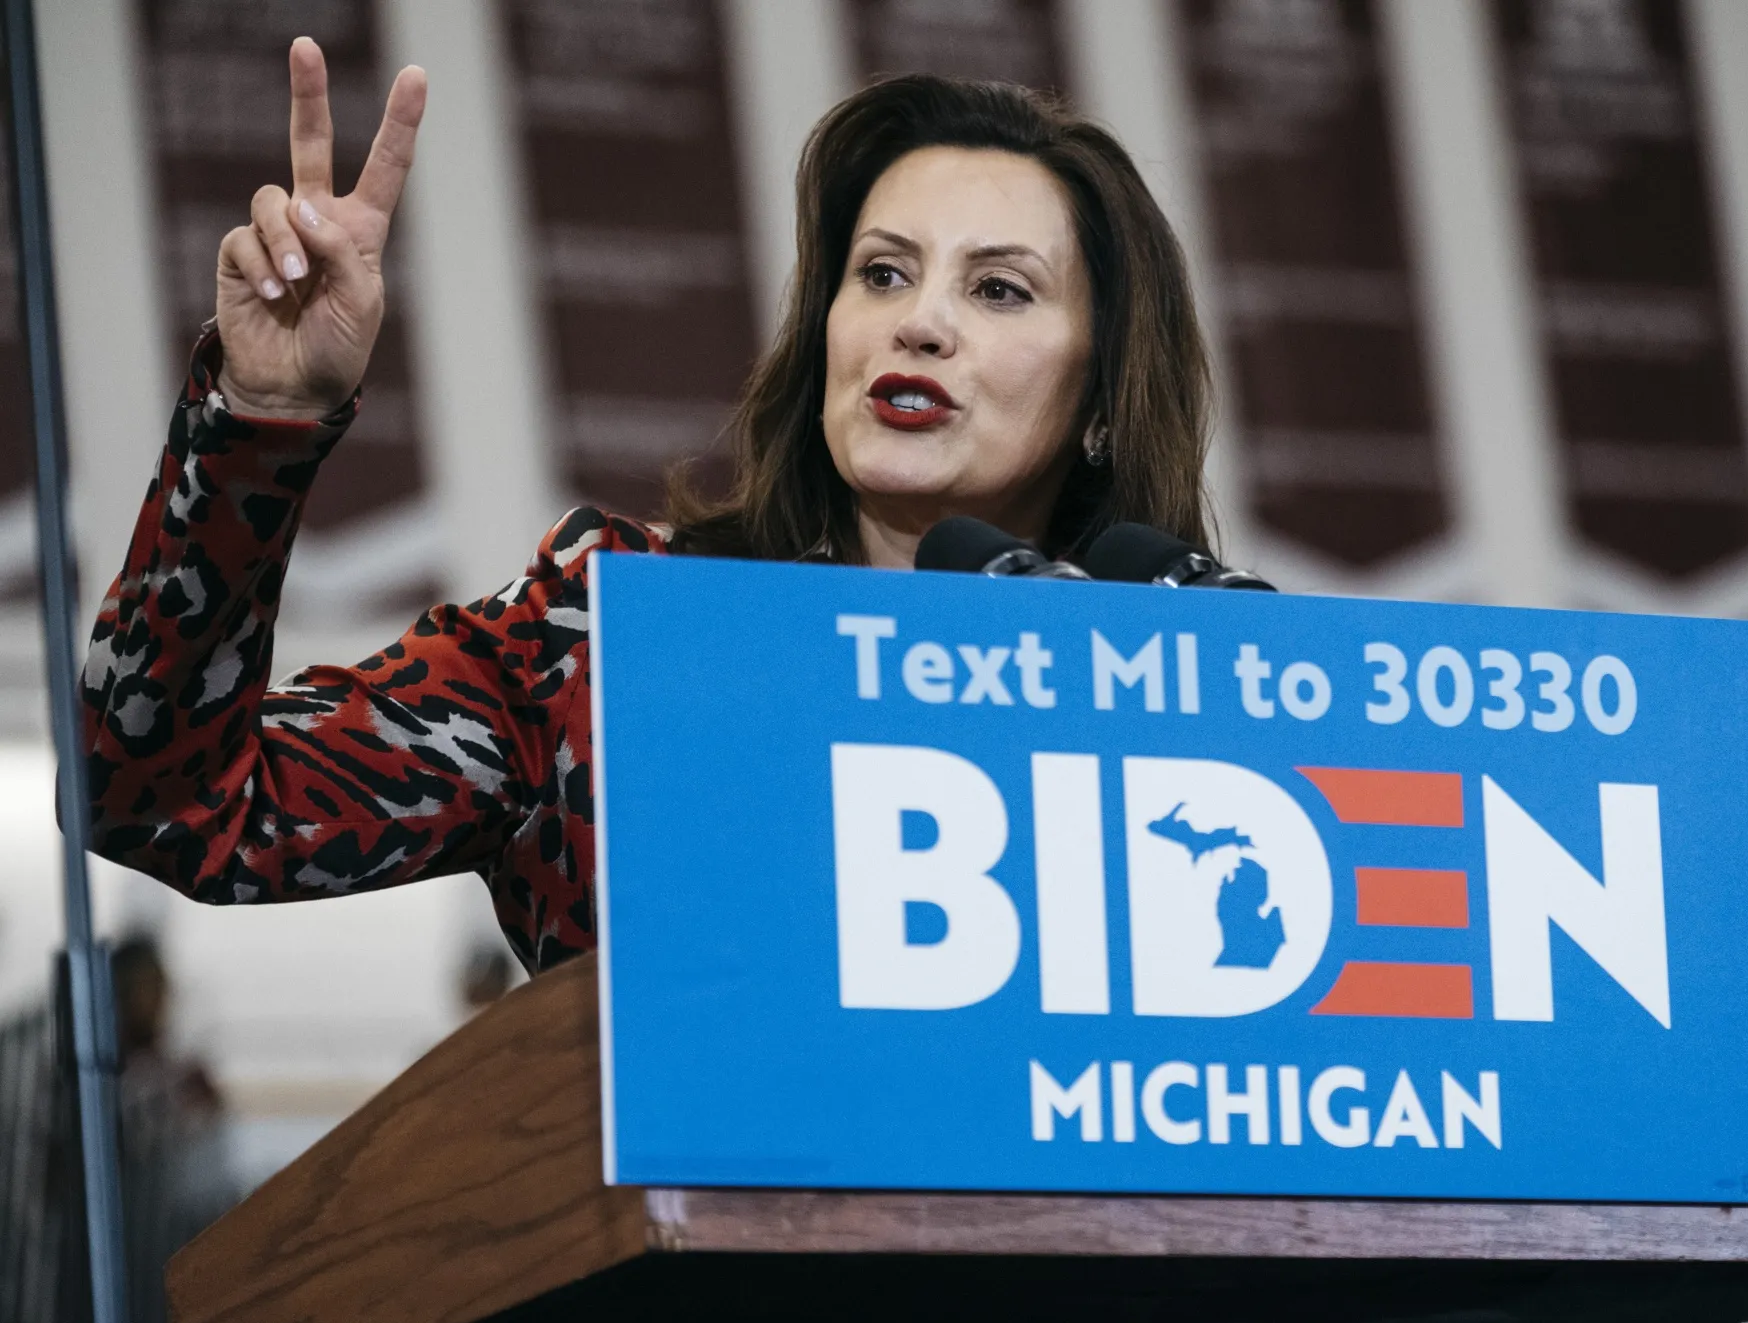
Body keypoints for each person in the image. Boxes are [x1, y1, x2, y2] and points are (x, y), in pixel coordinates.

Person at [81, 38, 1214, 975]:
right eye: (880, 273)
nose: (917, 323)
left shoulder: (1193, 695)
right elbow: (164, 803)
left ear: (1101, 396)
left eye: (998, 288)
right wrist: (258, 425)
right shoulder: (604, 637)